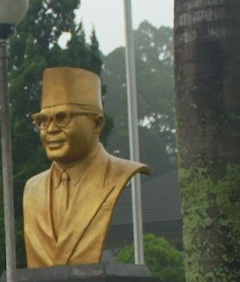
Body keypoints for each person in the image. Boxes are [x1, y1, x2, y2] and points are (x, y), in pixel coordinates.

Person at [22, 67, 150, 267]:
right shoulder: (32, 188)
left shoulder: (118, 175)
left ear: (97, 123)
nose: (52, 129)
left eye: (63, 118)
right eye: (43, 121)